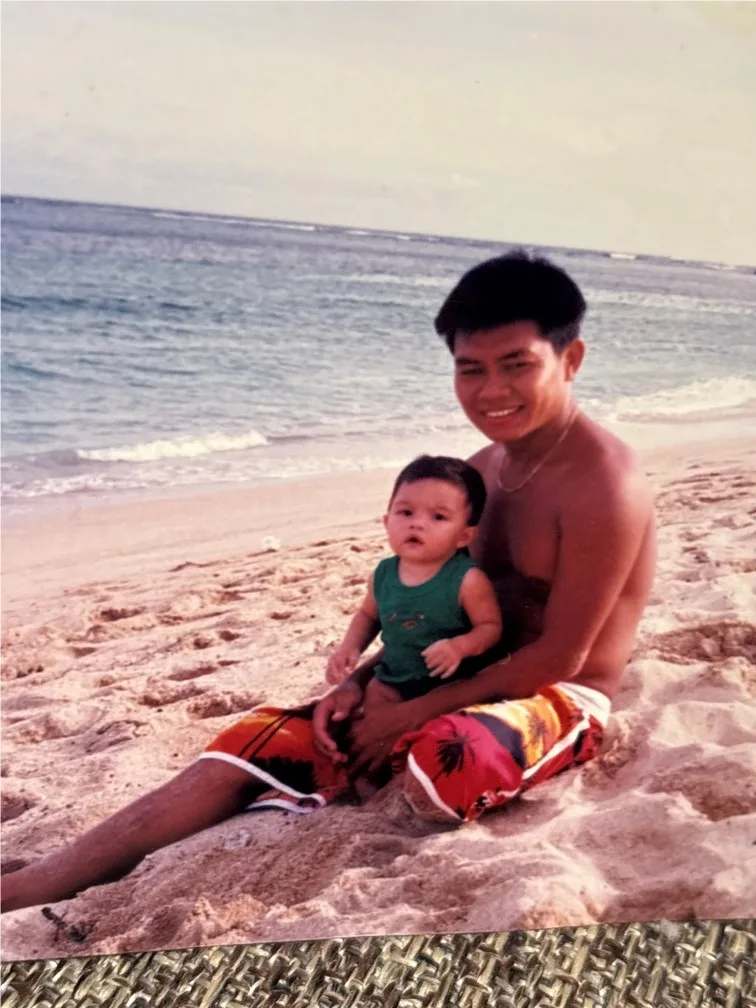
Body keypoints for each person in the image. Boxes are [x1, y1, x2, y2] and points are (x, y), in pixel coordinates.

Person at [1, 250, 656, 914]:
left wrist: (411, 714)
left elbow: (560, 655)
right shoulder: (477, 473)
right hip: (449, 679)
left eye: (517, 365)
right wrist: (358, 685)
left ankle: (361, 771)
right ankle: (35, 882)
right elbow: (437, 615)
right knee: (251, 742)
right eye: (471, 369)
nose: (491, 391)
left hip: (559, 698)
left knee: (445, 757)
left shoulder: (604, 484)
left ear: (571, 360)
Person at [326, 453, 502, 706]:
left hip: (449, 683)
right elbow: (368, 616)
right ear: (387, 521)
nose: (417, 524)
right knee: (368, 712)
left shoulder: (467, 580)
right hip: (392, 679)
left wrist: (459, 647)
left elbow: (490, 627)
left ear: (464, 536)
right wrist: (350, 647)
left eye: (438, 517)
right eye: (406, 512)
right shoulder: (383, 573)